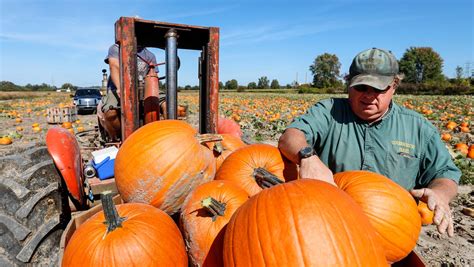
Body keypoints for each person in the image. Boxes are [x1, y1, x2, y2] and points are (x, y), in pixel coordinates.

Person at [278, 48, 461, 237]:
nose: (368, 95)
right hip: (328, 224)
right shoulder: (329, 111)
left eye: (378, 89)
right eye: (361, 87)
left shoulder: (418, 128)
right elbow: (290, 136)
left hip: (390, 231)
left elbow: (445, 173)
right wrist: (308, 157)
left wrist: (441, 194)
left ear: (394, 85)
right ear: (349, 84)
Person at [98, 44, 166, 141]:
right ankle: (117, 139)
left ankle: (163, 137)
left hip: (143, 87)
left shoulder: (150, 55)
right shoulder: (116, 49)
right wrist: (119, 87)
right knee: (110, 112)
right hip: (119, 87)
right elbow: (114, 67)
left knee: (166, 104)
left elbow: (153, 75)